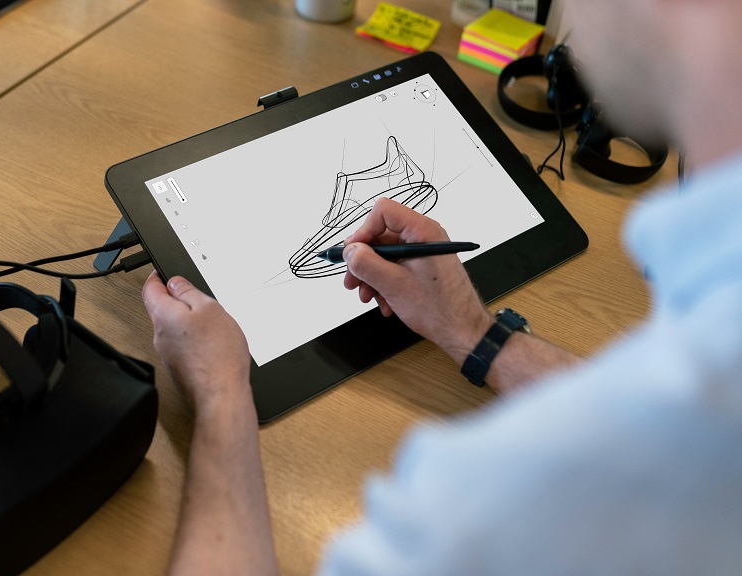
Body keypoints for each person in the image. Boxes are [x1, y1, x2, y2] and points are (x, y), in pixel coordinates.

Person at [141, 0, 742, 573]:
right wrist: (474, 332)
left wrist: (221, 394)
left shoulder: (497, 498)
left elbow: (642, 435)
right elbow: (638, 427)